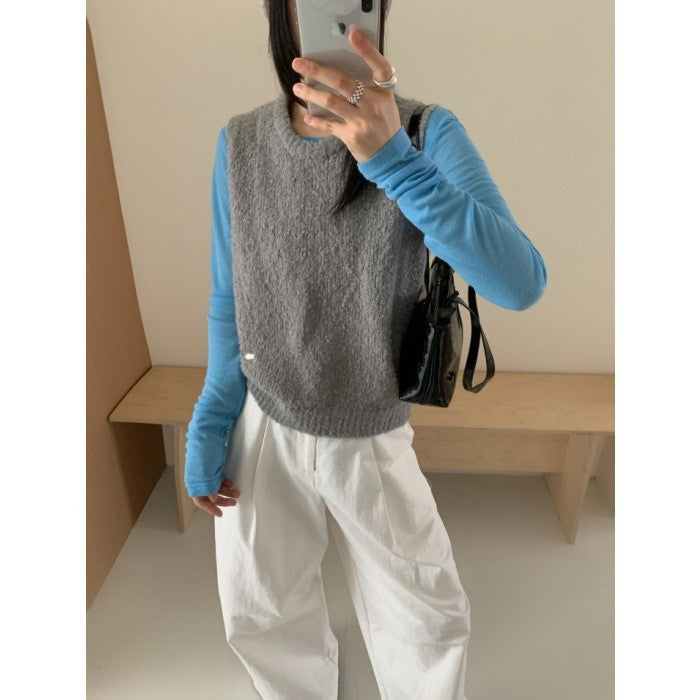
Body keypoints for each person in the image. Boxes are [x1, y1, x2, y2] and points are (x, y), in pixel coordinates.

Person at [184, 1, 547, 697]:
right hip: (262, 421)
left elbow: (519, 282)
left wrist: (395, 165)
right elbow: (231, 296)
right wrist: (210, 418)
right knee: (260, 609)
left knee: (423, 617)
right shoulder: (242, 142)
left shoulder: (425, 132)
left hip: (370, 426)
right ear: (284, 13)